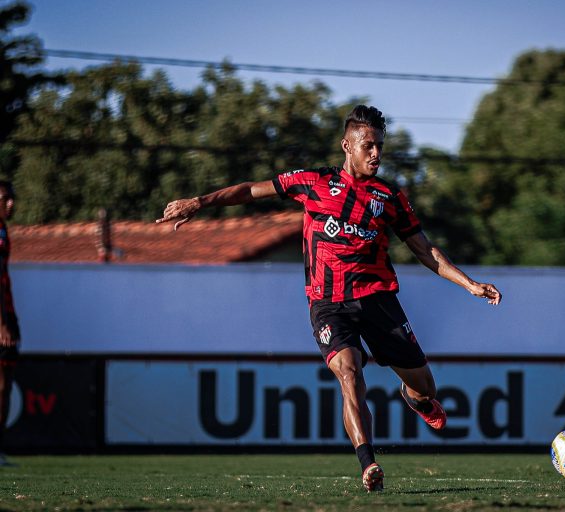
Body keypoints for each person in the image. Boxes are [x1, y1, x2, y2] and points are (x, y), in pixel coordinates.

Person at [157, 105, 502, 492]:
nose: (376, 153)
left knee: (425, 387)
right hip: (328, 304)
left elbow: (425, 250)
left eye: (380, 146)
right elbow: (252, 191)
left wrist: (469, 284)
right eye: (368, 145)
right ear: (347, 146)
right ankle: (368, 464)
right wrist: (200, 202)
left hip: (377, 300)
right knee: (350, 375)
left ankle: (418, 401)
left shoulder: (388, 196)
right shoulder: (313, 182)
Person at [0, 181, 19, 467]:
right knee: (2, 385)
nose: (11, 203)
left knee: (5, 385)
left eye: (11, 198)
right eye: (4, 198)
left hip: (7, 312)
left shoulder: (4, 230)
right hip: (2, 316)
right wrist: (1, 323)